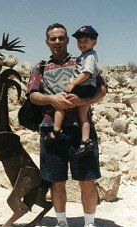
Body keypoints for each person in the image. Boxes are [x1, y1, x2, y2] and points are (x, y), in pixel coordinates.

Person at [27, 23, 107, 227]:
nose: (57, 42)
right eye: (53, 38)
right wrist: (52, 100)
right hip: (51, 130)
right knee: (56, 180)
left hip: (80, 129)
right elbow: (33, 96)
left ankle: (90, 226)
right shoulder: (40, 67)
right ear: (47, 41)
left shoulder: (81, 61)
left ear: (67, 41)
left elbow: (102, 89)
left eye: (61, 38)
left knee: (87, 179)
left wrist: (82, 101)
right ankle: (61, 224)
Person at [47, 25, 100, 159]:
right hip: (86, 88)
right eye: (80, 41)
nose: (82, 44)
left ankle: (56, 131)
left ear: (94, 42)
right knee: (83, 117)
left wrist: (73, 84)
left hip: (83, 87)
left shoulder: (89, 57)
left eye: (85, 41)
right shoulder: (85, 56)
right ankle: (85, 141)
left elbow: (87, 74)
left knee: (60, 102)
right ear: (47, 41)